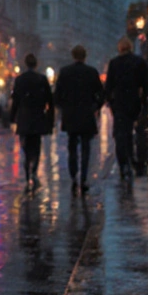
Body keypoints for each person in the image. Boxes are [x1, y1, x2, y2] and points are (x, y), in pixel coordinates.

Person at [53, 44, 104, 193]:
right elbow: (101, 93)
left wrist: (64, 107)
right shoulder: (91, 72)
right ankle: (83, 177)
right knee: (86, 148)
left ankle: (73, 175)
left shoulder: (65, 72)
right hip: (87, 114)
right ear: (85, 56)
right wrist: (95, 106)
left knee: (72, 146)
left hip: (71, 115)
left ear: (73, 56)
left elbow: (57, 95)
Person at [103, 36, 148, 181]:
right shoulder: (139, 62)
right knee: (137, 133)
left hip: (120, 104)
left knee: (121, 135)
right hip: (135, 102)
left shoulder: (114, 63)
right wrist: (144, 102)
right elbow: (146, 84)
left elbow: (108, 87)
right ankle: (138, 162)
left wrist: (111, 103)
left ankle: (124, 164)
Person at [9, 53, 54, 190]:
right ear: (36, 64)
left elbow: (15, 101)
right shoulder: (41, 79)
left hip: (24, 118)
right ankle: (34, 171)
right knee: (36, 146)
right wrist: (50, 120)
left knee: (26, 147)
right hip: (37, 117)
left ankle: (27, 172)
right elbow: (49, 100)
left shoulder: (19, 80)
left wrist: (12, 118)